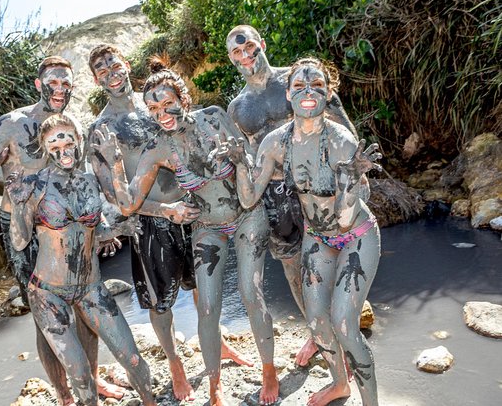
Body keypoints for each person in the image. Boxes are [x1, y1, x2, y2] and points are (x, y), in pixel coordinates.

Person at [92, 57, 278, 406]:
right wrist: (115, 162)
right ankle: (214, 385)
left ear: (183, 98)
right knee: (207, 307)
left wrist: (240, 161)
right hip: (206, 226)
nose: (161, 112)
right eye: (153, 108)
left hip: (246, 214)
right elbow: (128, 203)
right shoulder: (158, 147)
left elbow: (250, 162)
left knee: (250, 294)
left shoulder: (214, 117)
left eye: (167, 103)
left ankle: (269, 368)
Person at [223, 57, 381, 406]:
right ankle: (340, 383)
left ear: (328, 92)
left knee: (344, 324)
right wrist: (238, 164)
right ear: (288, 93)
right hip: (316, 237)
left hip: (355, 234)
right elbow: (249, 199)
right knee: (318, 321)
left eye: (317, 86)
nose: (308, 92)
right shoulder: (276, 143)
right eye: (299, 86)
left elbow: (345, 217)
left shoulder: (340, 140)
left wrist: (351, 182)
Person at [0, 56, 123, 404]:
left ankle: (91, 380)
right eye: (52, 83)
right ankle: (64, 394)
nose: (59, 89)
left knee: (84, 301)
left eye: (66, 84)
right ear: (39, 85)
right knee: (43, 315)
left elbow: (81, 183)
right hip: (23, 228)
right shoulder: (10, 124)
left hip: (68, 227)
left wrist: (102, 225)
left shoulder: (70, 127)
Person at [226, 24, 359, 366]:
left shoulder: (297, 80)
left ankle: (344, 330)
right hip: (275, 197)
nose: (245, 56)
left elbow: (343, 127)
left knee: (329, 257)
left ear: (262, 44)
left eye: (249, 47)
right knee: (292, 268)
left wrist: (351, 181)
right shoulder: (237, 107)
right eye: (236, 53)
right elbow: (247, 162)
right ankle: (318, 334)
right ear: (230, 59)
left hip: (317, 188)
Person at [6, 113, 156, 406]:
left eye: (67, 139)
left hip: (91, 286)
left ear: (78, 140)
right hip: (49, 293)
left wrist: (118, 230)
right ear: (46, 148)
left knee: (133, 358)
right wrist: (18, 204)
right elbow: (20, 240)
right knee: (80, 372)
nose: (62, 149)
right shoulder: (35, 185)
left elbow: (94, 228)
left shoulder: (90, 181)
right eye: (54, 143)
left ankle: (151, 401)